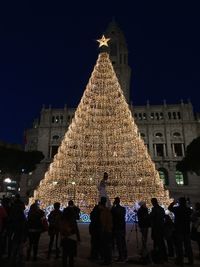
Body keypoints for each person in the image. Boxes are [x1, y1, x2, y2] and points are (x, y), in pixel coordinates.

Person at [168, 197, 193, 266]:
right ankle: (191, 261)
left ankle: (180, 261)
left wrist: (173, 203)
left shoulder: (177, 209)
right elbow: (191, 211)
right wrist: (188, 203)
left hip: (178, 230)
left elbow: (169, 208)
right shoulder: (188, 210)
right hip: (186, 230)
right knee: (188, 247)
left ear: (179, 202)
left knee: (179, 247)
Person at [150, 198, 167, 264]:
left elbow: (151, 216)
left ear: (153, 202)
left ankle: (158, 257)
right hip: (161, 227)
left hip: (156, 228)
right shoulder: (161, 209)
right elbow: (163, 216)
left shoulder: (154, 209)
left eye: (152, 202)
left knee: (157, 242)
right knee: (161, 242)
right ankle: (164, 256)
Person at [111, 197, 127, 262]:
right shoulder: (123, 209)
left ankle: (121, 257)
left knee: (118, 243)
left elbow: (111, 213)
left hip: (116, 228)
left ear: (116, 202)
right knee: (123, 242)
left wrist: (113, 205)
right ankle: (125, 255)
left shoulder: (114, 209)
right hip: (122, 227)